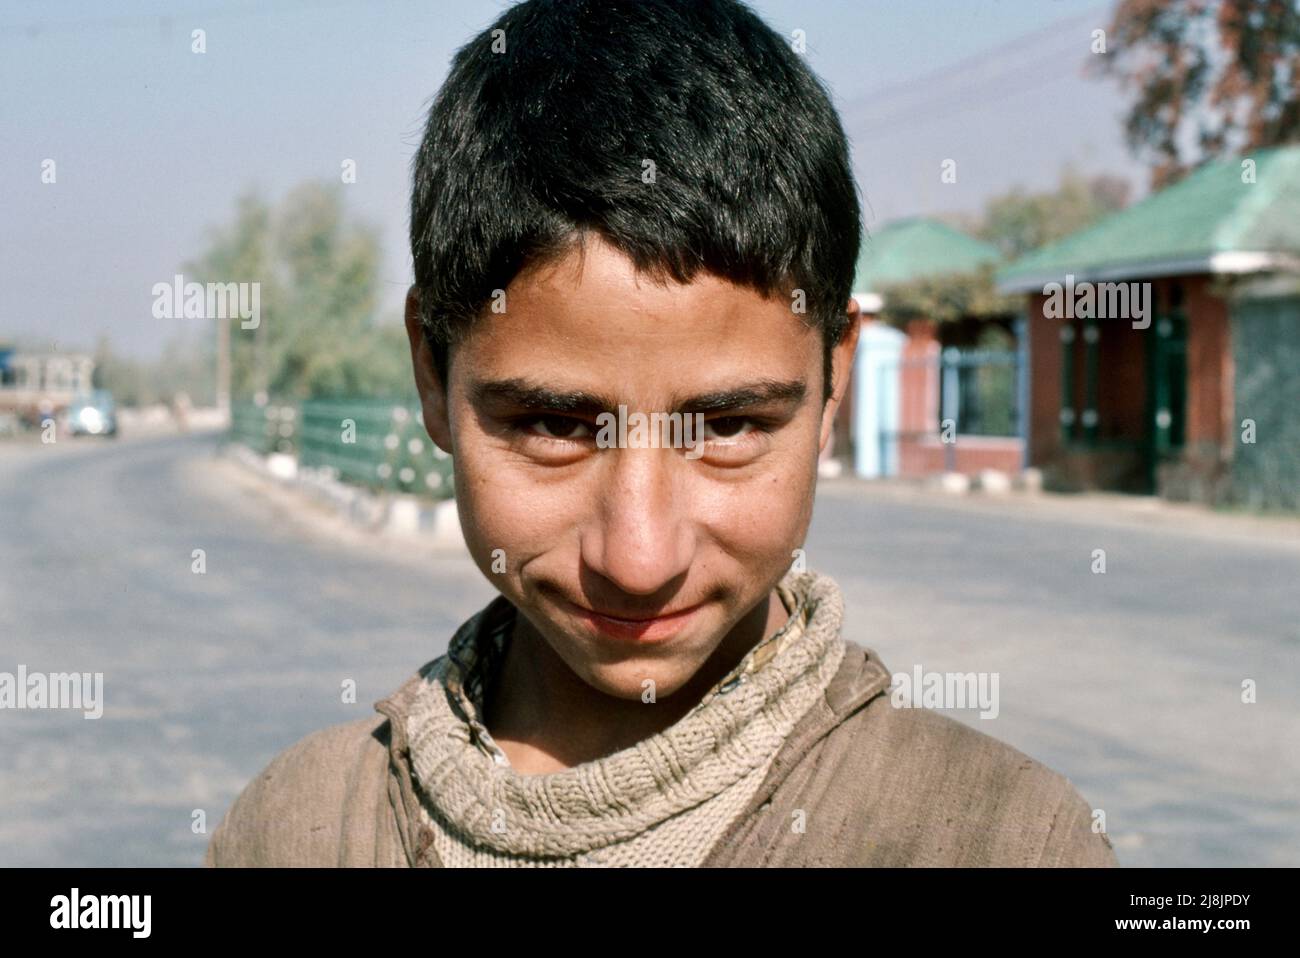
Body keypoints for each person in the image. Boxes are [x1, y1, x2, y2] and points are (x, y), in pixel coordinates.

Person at [205, 0, 1117, 868]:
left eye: (729, 426)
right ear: (433, 376)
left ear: (833, 380)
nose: (639, 558)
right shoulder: (303, 830)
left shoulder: (999, 841)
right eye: (555, 425)